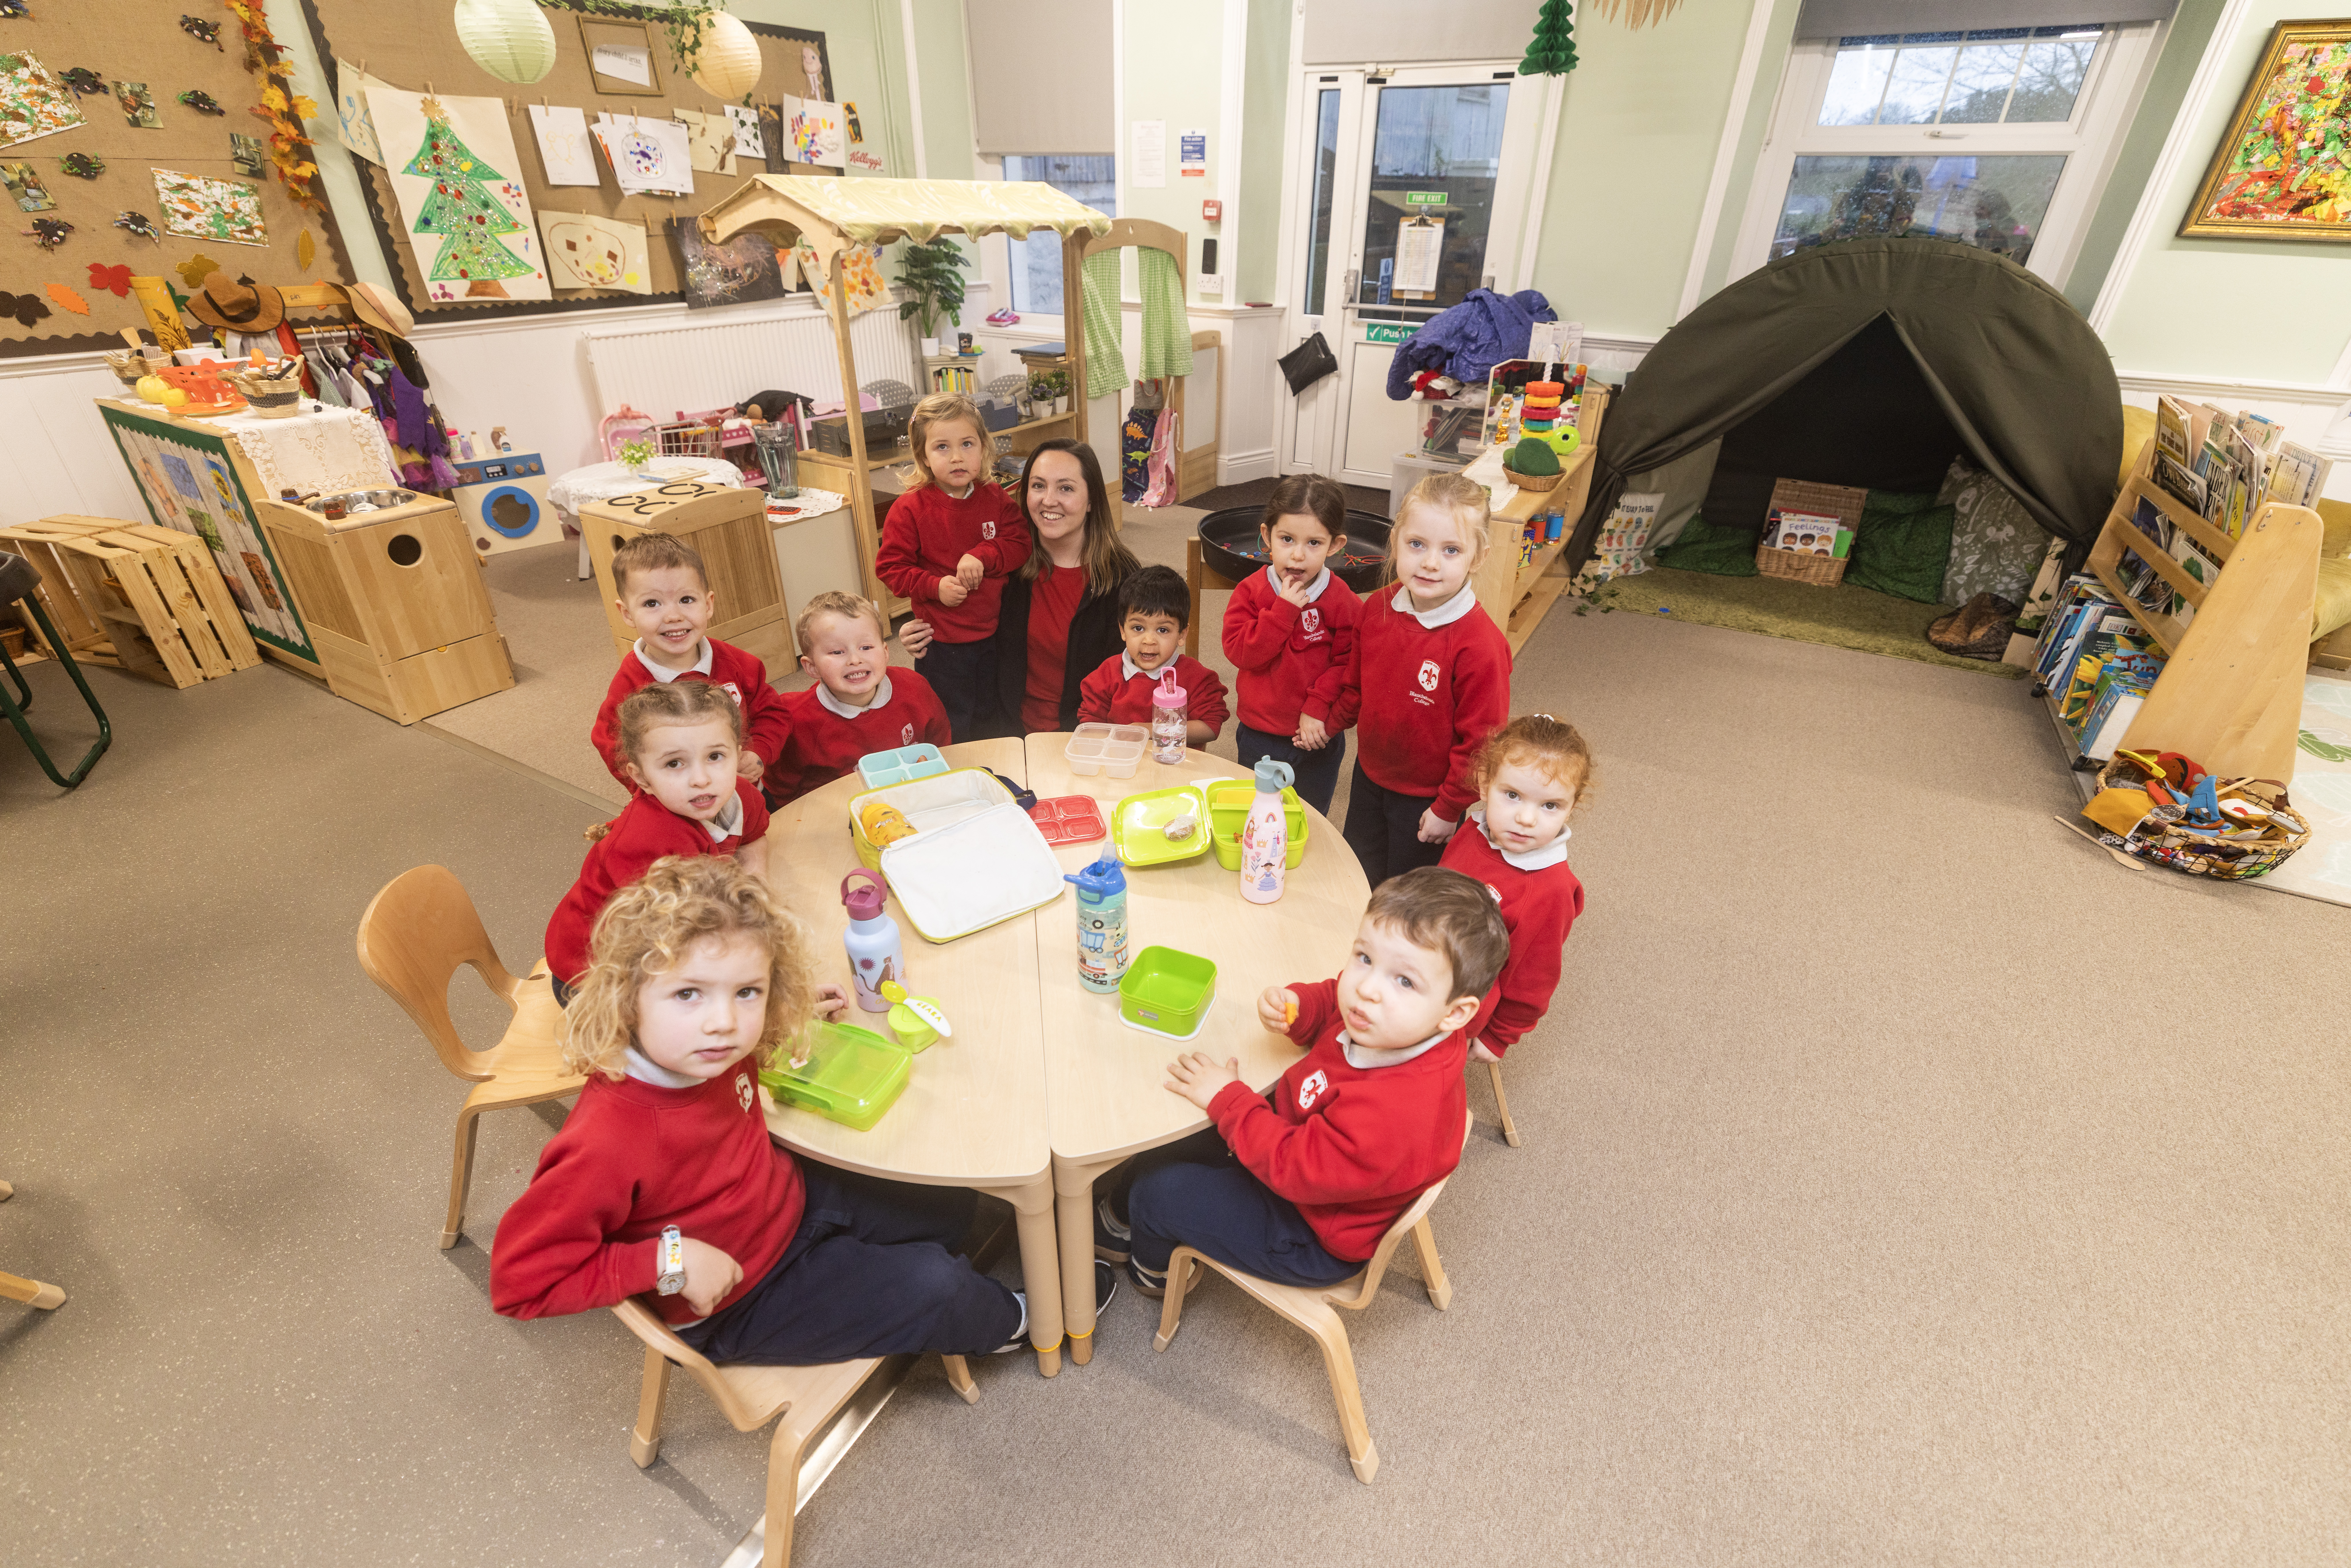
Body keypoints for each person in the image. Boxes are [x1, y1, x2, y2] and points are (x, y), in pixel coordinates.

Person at [494, 855, 1052, 1363]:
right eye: (688, 993)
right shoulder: (606, 1139)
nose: (724, 1022)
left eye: (747, 992)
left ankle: (914, 1280)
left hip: (787, 1202)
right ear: (627, 996)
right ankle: (1018, 1320)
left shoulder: (709, 1052)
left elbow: (734, 1059)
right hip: (741, 1298)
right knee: (939, 1285)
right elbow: (517, 1282)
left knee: (950, 1200)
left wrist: (788, 1013)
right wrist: (670, 1261)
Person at [1095, 867, 1509, 1295]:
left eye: (1404, 981)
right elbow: (1335, 995)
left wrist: (1229, 1100)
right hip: (1302, 1146)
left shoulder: (1393, 1113)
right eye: (1365, 958)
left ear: (1455, 1013)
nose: (1366, 989)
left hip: (1309, 1231)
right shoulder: (1398, 1023)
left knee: (1158, 1191)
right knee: (1169, 1139)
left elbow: (1293, 1169)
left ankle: (1152, 1273)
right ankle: (1120, 1217)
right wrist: (1301, 1008)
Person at [1328, 473, 1512, 887]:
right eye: (1417, 545)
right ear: (1395, 542)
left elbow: (1482, 743)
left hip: (1429, 797)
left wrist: (1450, 808)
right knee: (1358, 874)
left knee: (1410, 896)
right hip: (1370, 774)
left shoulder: (1481, 647)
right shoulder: (1376, 608)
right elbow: (1356, 684)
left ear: (1478, 558)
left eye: (1451, 550)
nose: (1430, 563)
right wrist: (1326, 722)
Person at [546, 682, 770, 1001]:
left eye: (716, 756)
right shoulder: (647, 841)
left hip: (674, 940)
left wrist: (756, 886)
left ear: (738, 754)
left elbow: (753, 837)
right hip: (597, 974)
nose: (701, 779)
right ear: (642, 778)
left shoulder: (738, 795)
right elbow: (680, 940)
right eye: (674, 764)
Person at [899, 440, 1139, 737]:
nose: (1049, 501)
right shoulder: (1002, 562)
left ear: (1091, 500)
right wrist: (925, 629)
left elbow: (1142, 671)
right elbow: (965, 624)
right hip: (1004, 731)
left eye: (1066, 488)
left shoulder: (1123, 579)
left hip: (1084, 736)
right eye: (1038, 486)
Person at [874, 392, 1030, 741]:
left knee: (993, 719)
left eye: (967, 444)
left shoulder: (995, 497)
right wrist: (934, 587)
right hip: (942, 646)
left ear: (983, 448)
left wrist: (984, 554)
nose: (957, 457)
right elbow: (890, 568)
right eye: (942, 447)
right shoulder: (909, 508)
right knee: (950, 725)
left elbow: (1021, 543)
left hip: (994, 637)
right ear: (923, 457)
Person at [590, 533, 792, 804]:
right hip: (677, 808)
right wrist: (654, 788)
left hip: (744, 792)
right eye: (652, 604)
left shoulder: (739, 664)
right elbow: (612, 745)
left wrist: (759, 753)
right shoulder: (630, 687)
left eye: (686, 600)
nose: (674, 616)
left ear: (708, 605)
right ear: (627, 613)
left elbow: (772, 714)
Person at [1438, 715, 1590, 1065]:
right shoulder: (1474, 831)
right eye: (1512, 795)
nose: (1526, 819)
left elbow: (1532, 978)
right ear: (1483, 784)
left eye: (1549, 805)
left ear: (1571, 806)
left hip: (1457, 1002)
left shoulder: (1549, 892)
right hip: (1424, 958)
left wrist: (1498, 1036)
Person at [1220, 475, 1362, 815]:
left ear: (1334, 545)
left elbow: (1350, 663)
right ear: (1267, 536)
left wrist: (1317, 707)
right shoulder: (1250, 591)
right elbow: (1241, 653)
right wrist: (1282, 613)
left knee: (1310, 821)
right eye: (1287, 539)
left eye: (1314, 543)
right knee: (1258, 816)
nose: (1298, 556)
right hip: (1260, 733)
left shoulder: (1343, 600)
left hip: (1317, 737)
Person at [771, 591, 950, 803]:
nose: (855, 660)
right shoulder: (796, 718)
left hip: (915, 796)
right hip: (839, 811)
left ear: (885, 652)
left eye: (866, 648)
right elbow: (783, 788)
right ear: (812, 667)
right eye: (837, 652)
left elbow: (940, 745)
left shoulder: (915, 687)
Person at [1074, 564, 1230, 745]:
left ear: (1182, 635)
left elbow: (1210, 727)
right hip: (1122, 765)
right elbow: (1090, 725)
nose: (1149, 640)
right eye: (1138, 628)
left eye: (1163, 630)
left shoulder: (1196, 677)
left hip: (1175, 767)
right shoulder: (1106, 674)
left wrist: (1150, 730)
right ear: (1123, 630)